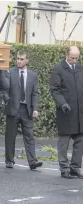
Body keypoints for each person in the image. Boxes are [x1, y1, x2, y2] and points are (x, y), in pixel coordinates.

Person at [4, 49, 43, 171]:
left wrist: (35, 108)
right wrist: (7, 101)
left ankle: (32, 161)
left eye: (21, 59)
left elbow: (35, 93)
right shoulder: (10, 72)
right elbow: (5, 89)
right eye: (17, 59)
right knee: (10, 136)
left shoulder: (33, 75)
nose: (19, 61)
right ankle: (9, 160)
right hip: (13, 108)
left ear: (27, 60)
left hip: (27, 110)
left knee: (29, 136)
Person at [49, 46, 83, 179]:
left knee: (80, 141)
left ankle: (75, 168)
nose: (74, 60)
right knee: (64, 141)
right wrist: (62, 103)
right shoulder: (58, 69)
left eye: (76, 58)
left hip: (80, 113)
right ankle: (64, 168)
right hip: (66, 111)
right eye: (72, 58)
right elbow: (55, 89)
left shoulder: (81, 69)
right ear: (67, 55)